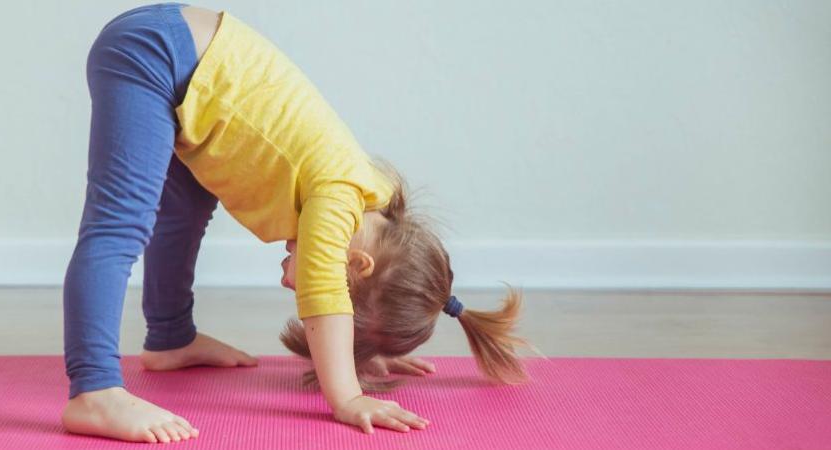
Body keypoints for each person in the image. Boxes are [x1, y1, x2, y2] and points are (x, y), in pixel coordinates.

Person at [60, 3, 527, 443]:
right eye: (319, 285)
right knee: (120, 224)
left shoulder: (370, 197)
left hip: (185, 67)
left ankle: (169, 338)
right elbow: (325, 299)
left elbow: (347, 291)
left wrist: (368, 348)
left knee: (182, 217)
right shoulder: (337, 203)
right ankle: (94, 390)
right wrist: (347, 395)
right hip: (158, 53)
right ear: (357, 264)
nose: (293, 285)